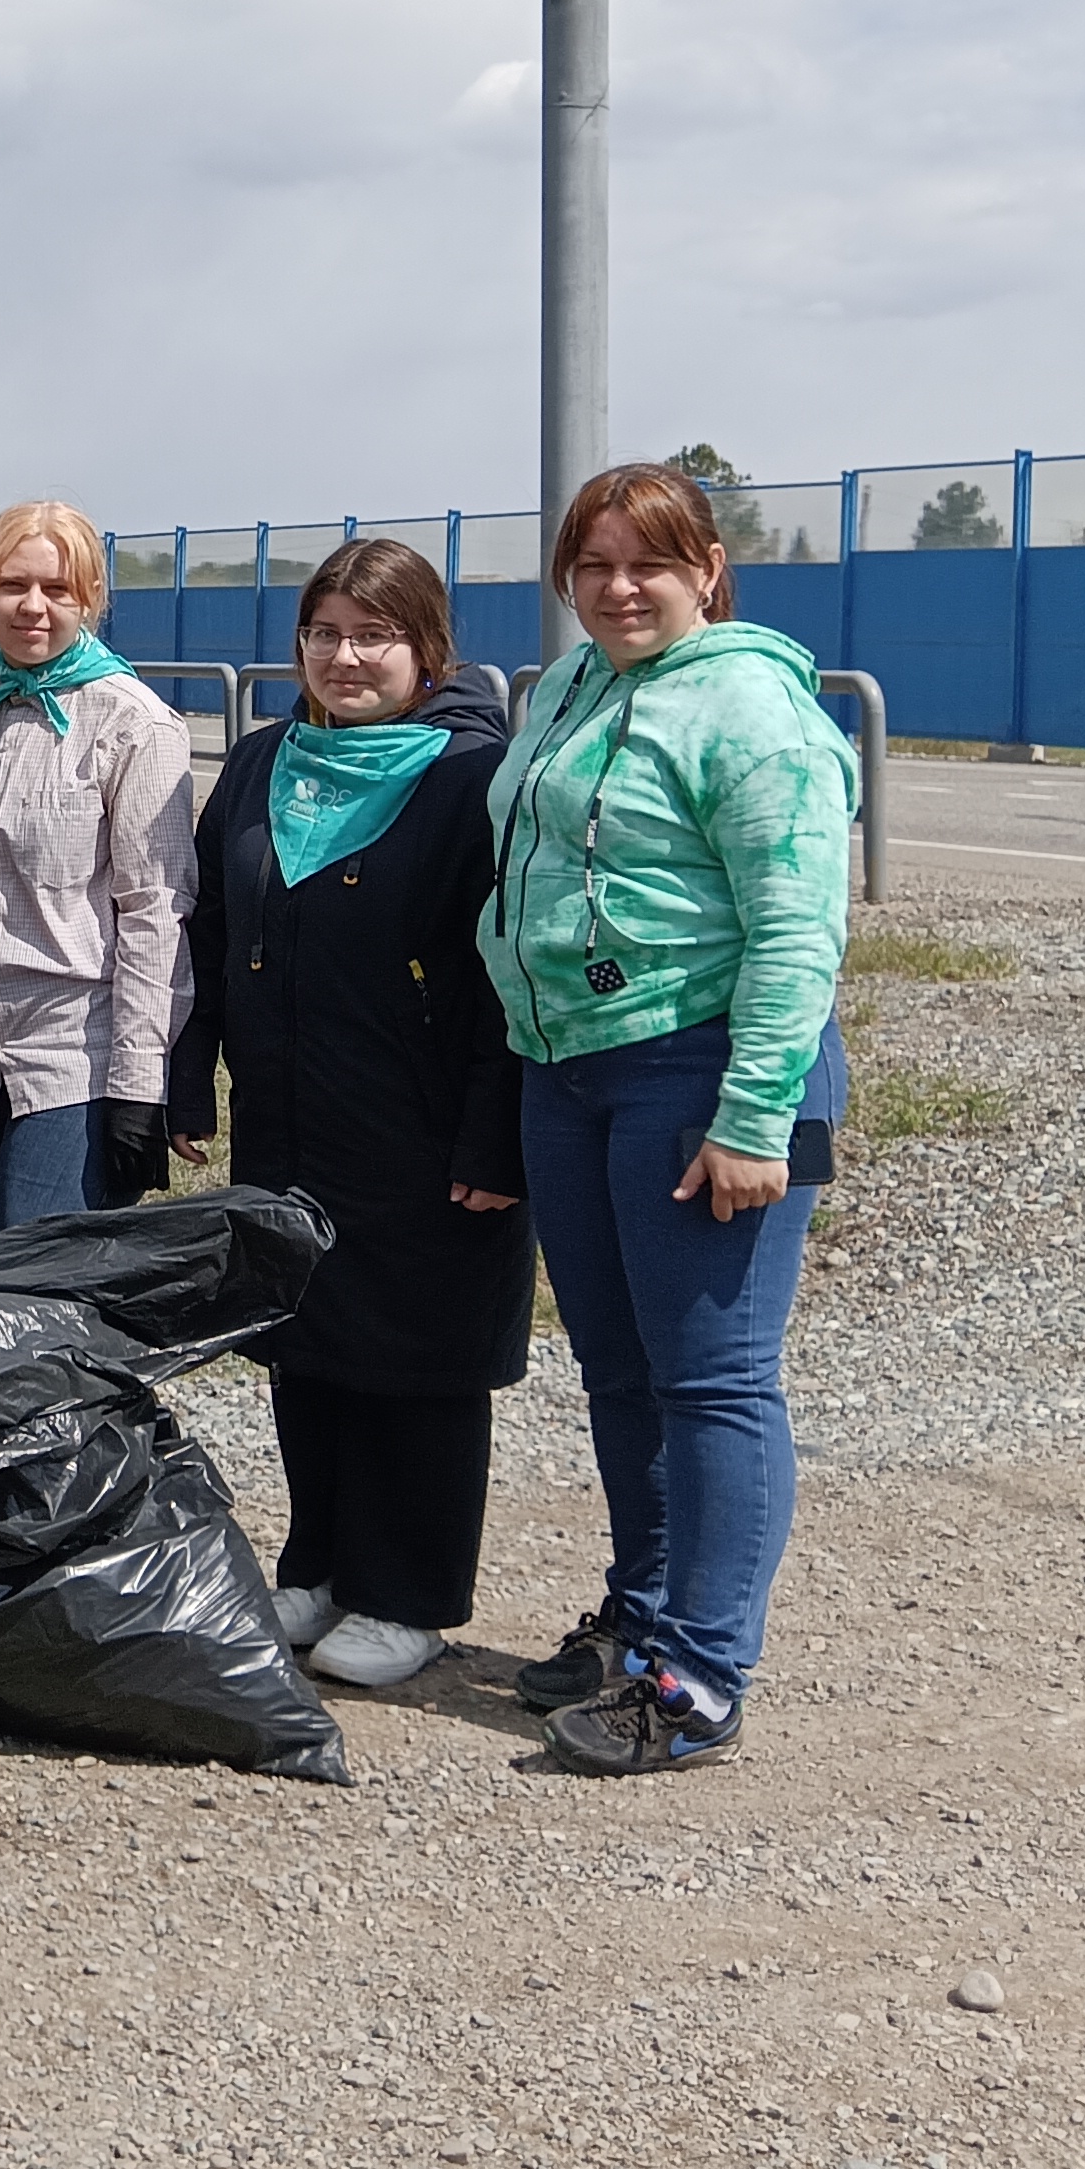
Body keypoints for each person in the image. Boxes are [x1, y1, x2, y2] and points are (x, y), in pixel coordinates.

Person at [483, 462, 856, 1777]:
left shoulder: (754, 707)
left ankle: (696, 1675)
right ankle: (641, 1616)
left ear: (708, 569)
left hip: (701, 1071)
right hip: (571, 1068)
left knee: (712, 1380)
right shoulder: (581, 681)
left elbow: (800, 930)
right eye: (593, 565)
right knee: (621, 1371)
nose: (619, 587)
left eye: (649, 562)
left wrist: (755, 1118)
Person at [167, 537, 529, 1691]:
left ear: (427, 649)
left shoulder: (470, 777)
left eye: (373, 636)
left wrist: (495, 1135)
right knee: (305, 1342)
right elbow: (212, 930)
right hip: (287, 1106)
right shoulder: (269, 757)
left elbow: (498, 976)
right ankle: (319, 1562)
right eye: (324, 634)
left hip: (421, 1119)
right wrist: (190, 1070)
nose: (344, 657)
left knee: (413, 1353)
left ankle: (410, 1591)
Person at [0, 501, 195, 1243]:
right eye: (12, 585)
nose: (33, 607)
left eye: (58, 589)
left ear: (91, 598)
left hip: (72, 1058)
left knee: (34, 1297)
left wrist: (139, 1087)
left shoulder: (135, 726)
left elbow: (152, 912)